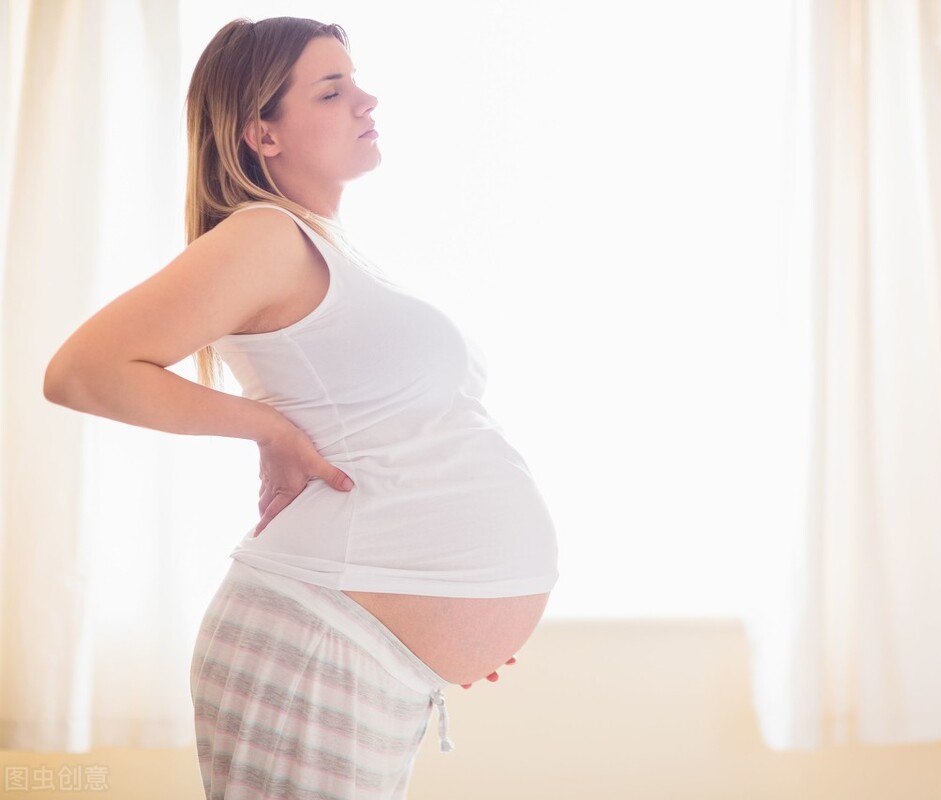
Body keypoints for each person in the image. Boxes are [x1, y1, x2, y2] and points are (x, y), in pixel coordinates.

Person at [42, 16, 558, 799]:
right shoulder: (264, 237)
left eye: (355, 79)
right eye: (332, 88)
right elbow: (84, 370)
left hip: (361, 649)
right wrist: (268, 428)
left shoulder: (331, 247)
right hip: (315, 642)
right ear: (263, 133)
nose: (366, 97)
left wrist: (453, 621)